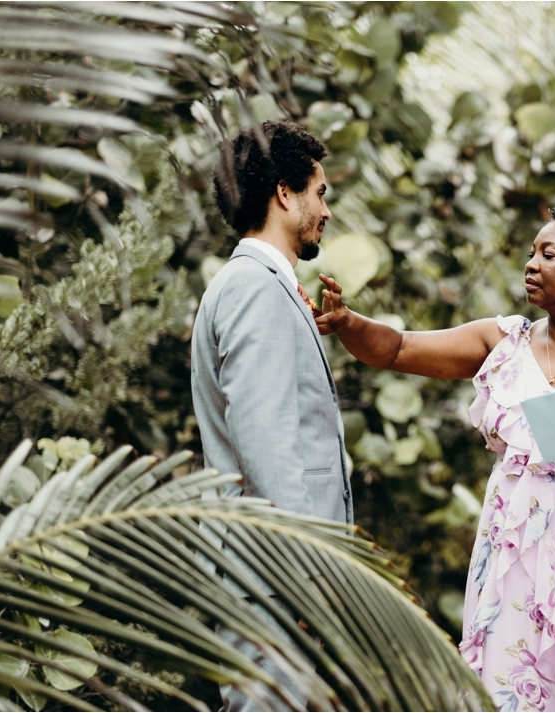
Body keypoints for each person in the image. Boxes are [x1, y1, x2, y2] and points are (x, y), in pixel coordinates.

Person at [315, 205, 555, 711]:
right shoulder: (504, 341)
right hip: (514, 565)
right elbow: (399, 349)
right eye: (531, 252)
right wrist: (349, 322)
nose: (530, 263)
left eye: (548, 254)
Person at [191, 120, 352, 710]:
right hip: (275, 578)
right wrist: (306, 577)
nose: (326, 210)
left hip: (275, 573)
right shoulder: (253, 288)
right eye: (321, 191)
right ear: (285, 193)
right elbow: (267, 445)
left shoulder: (253, 284)